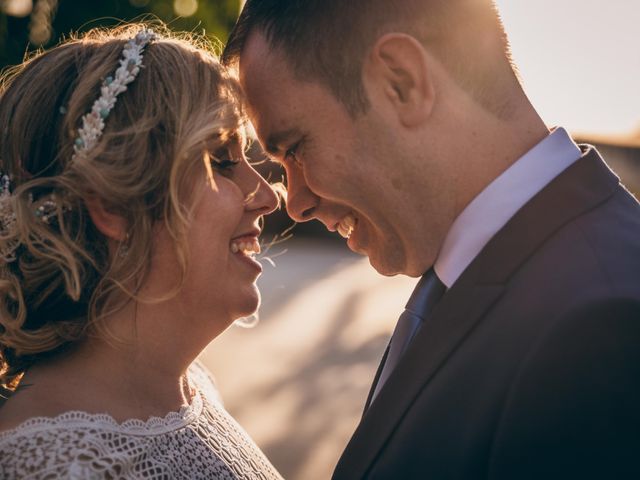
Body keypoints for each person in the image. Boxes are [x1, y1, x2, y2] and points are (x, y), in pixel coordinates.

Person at [222, 1, 640, 478]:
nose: (295, 203)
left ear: (401, 82)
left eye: (295, 148)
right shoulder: (466, 279)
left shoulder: (602, 331)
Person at [0, 24, 283, 479]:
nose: (269, 195)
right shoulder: (54, 466)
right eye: (221, 159)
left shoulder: (190, 391)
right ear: (114, 206)